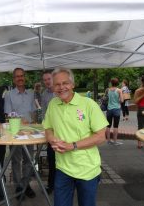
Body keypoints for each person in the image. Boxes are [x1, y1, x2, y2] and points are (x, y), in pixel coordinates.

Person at [43, 68, 108, 206]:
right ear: (53, 86)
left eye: (65, 83)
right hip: (62, 168)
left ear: (72, 84)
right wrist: (52, 139)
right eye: (57, 84)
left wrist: (72, 145)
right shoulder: (53, 104)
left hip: (87, 170)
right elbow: (48, 128)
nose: (61, 87)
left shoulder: (89, 104)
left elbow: (101, 137)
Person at [4, 67, 36, 199]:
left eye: (22, 75)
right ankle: (18, 186)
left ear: (25, 77)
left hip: (29, 133)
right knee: (16, 160)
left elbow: (33, 112)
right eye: (17, 76)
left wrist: (34, 123)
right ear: (14, 79)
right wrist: (20, 120)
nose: (20, 78)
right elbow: (7, 115)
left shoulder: (31, 93)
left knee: (29, 160)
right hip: (15, 133)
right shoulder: (9, 95)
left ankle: (26, 184)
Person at [40, 71, 56, 194]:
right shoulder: (44, 94)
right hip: (51, 132)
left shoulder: (60, 91)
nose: (47, 81)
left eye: (49, 78)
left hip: (65, 131)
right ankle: (51, 185)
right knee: (51, 160)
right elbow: (44, 114)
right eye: (45, 80)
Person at [105, 78, 123, 145]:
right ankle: (115, 141)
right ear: (117, 83)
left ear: (111, 83)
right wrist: (117, 100)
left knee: (108, 126)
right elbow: (122, 100)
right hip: (116, 109)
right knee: (115, 126)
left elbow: (107, 98)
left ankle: (108, 141)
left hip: (109, 109)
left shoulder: (108, 90)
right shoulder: (119, 90)